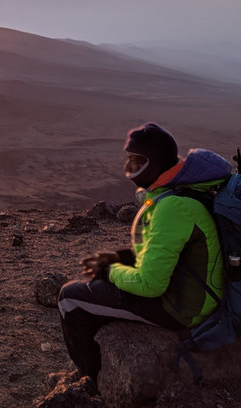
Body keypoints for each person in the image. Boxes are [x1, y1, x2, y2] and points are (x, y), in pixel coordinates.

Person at [57, 123, 230, 381]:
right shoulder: (181, 192)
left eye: (138, 161)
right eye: (129, 160)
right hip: (195, 291)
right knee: (102, 284)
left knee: (70, 298)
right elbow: (168, 250)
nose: (130, 169)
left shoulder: (173, 206)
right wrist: (124, 259)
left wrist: (110, 271)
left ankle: (92, 379)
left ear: (157, 163)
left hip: (184, 309)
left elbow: (151, 285)